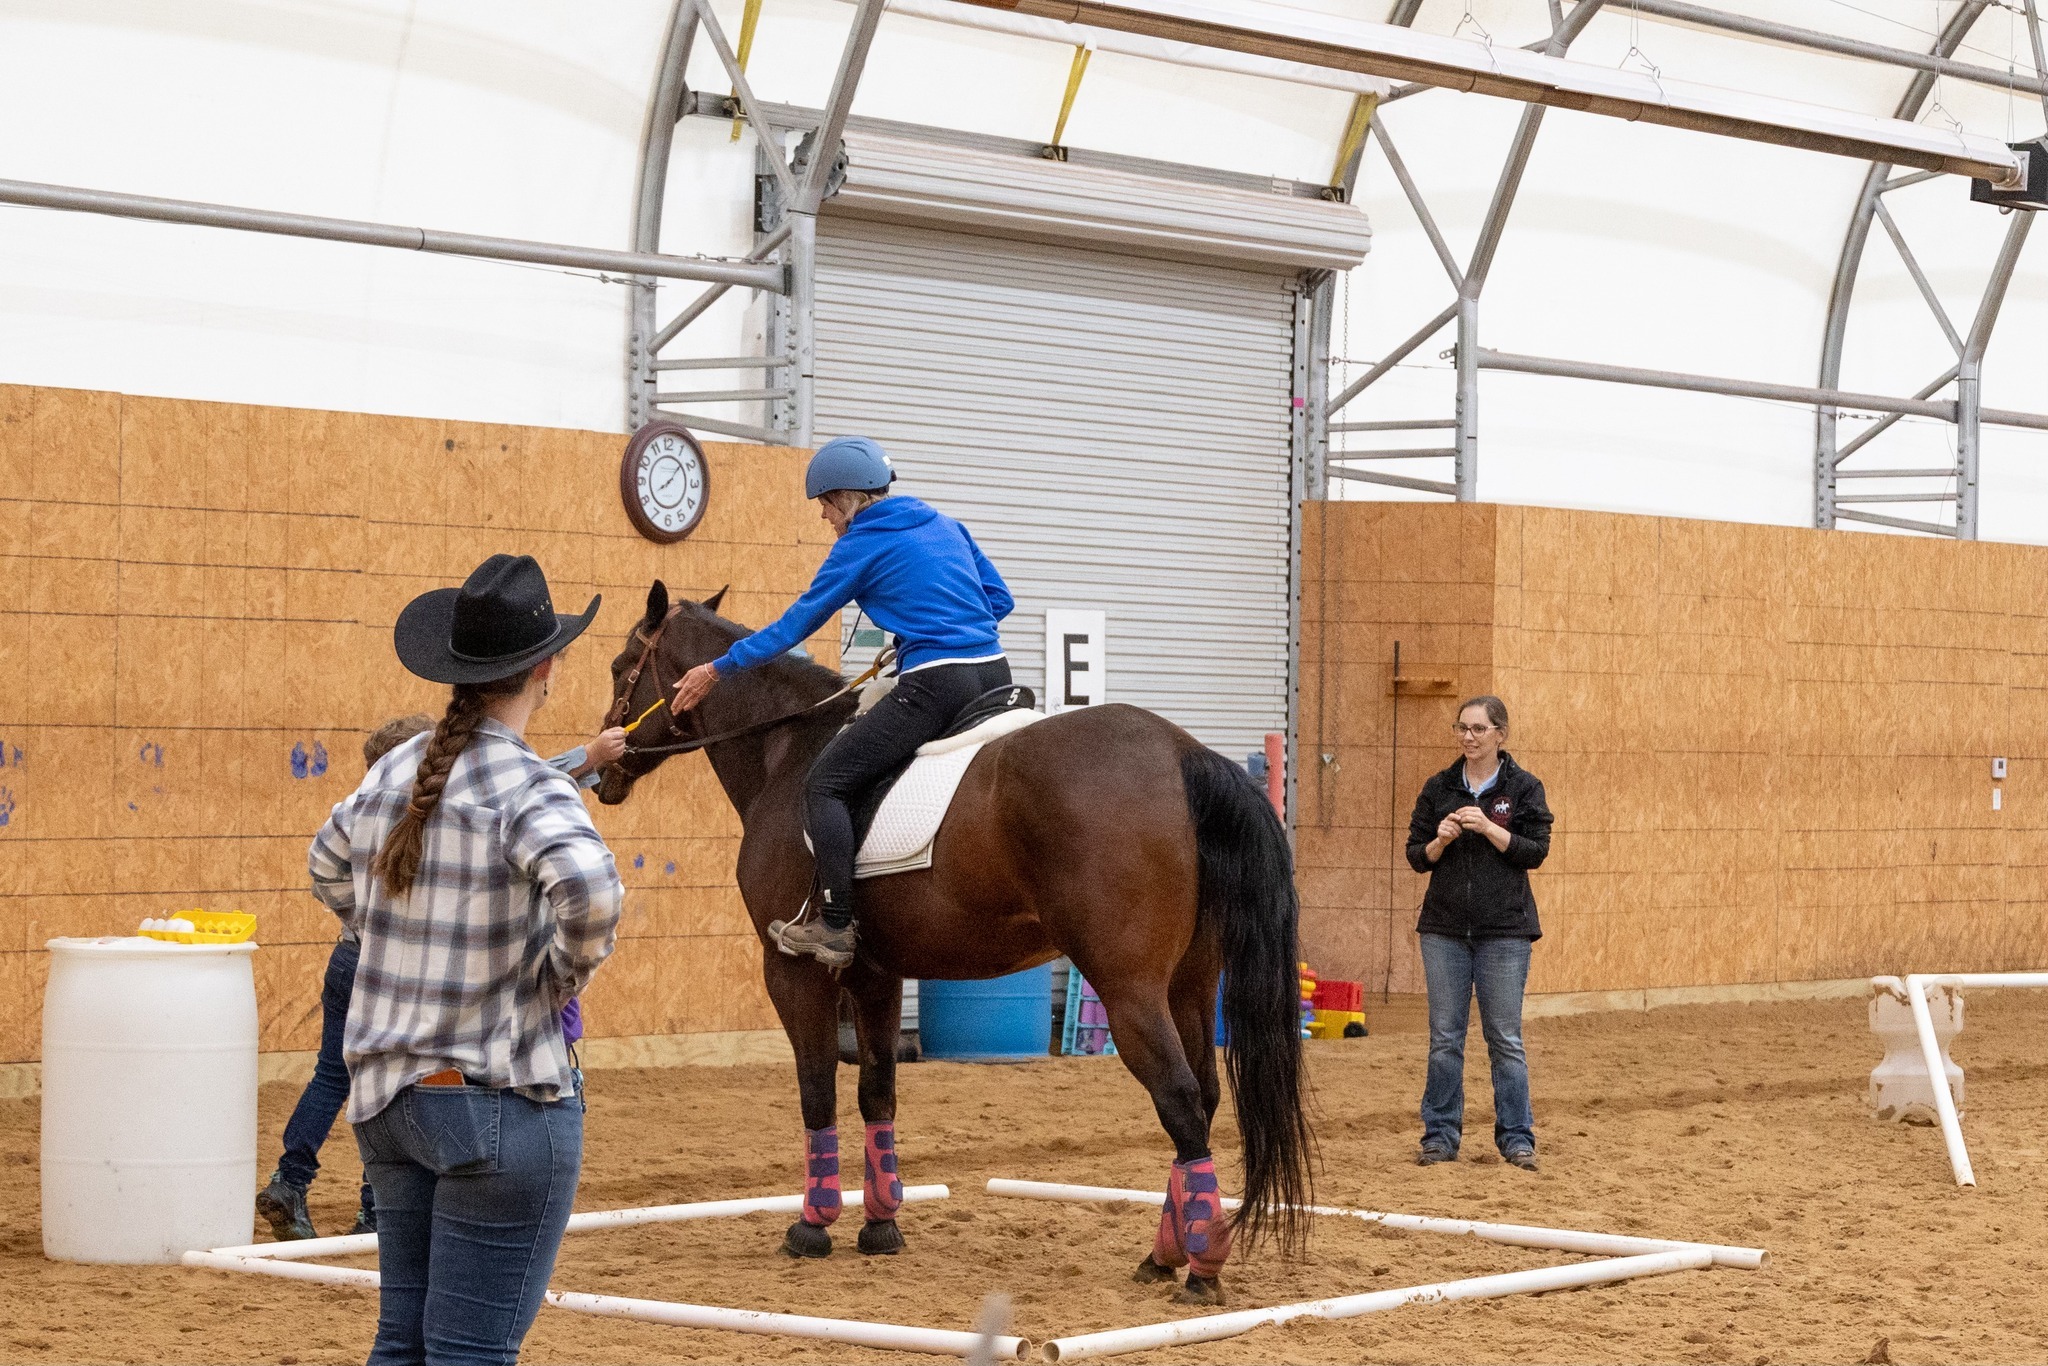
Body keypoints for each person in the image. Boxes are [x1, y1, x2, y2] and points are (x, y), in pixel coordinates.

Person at [308, 553, 623, 1364]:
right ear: (544, 669)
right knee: (469, 1354)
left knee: (403, 1345)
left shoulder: (393, 770)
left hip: (390, 1101)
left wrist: (391, 933)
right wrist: (554, 981)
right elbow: (592, 896)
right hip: (494, 1095)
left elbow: (326, 864)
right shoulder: (529, 784)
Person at [255, 710, 627, 1243]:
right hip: (431, 994)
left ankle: (292, 1179)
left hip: (352, 960)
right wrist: (588, 757)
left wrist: (370, 928)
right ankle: (370, 1211)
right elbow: (518, 795)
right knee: (421, 1072)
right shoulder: (479, 796)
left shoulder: (375, 806)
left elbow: (325, 864)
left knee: (339, 1077)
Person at [669, 435, 1012, 969]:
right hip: (994, 674)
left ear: (848, 497)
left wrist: (717, 668)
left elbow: (795, 626)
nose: (824, 517)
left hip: (935, 686)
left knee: (825, 783)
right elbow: (999, 600)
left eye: (826, 504)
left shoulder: (860, 544)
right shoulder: (947, 525)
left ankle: (835, 925)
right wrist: (932, 630)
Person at [1404, 695, 1553, 1172]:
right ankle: (1439, 1137)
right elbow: (1416, 856)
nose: (1468, 737)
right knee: (1445, 1039)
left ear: (1500, 735)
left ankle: (1517, 1139)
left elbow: (1535, 851)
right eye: (1462, 728)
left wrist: (1488, 827)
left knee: (1505, 1039)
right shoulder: (1439, 787)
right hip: (1443, 931)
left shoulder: (1524, 788)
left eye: (1478, 729)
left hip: (1505, 931)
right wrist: (1441, 840)